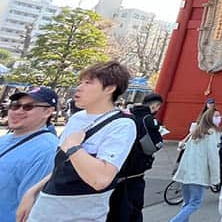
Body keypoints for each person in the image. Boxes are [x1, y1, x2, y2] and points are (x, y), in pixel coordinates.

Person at [17, 61, 136, 222]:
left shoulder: (122, 125)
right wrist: (33, 191)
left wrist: (74, 147)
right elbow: (62, 166)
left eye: (88, 83)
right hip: (44, 210)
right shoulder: (77, 118)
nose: (79, 87)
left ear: (109, 88)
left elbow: (101, 179)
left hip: (79, 215)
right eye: (80, 82)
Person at [0, 87, 60, 222]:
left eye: (28, 107)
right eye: (15, 106)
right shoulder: (4, 139)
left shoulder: (47, 151)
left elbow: (31, 210)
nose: (18, 111)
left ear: (48, 112)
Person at [107, 92, 165, 222]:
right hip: (135, 171)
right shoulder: (148, 120)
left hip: (116, 168)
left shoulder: (125, 115)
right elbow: (153, 146)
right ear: (155, 105)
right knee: (132, 210)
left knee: (114, 209)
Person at [169, 108, 222, 222]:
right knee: (195, 203)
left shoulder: (196, 133)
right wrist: (215, 179)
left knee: (187, 203)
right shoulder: (211, 134)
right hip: (198, 173)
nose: (220, 118)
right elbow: (213, 158)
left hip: (186, 172)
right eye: (216, 115)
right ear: (209, 118)